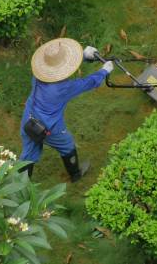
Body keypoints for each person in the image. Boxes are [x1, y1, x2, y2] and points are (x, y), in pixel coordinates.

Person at [19, 38, 113, 182]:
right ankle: (76, 174)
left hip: (29, 118)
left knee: (28, 154)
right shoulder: (62, 89)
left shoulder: (38, 74)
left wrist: (83, 56)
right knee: (67, 145)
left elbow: (59, 67)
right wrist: (104, 71)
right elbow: (87, 83)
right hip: (50, 126)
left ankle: (18, 188)